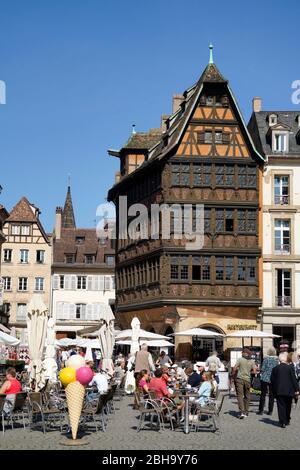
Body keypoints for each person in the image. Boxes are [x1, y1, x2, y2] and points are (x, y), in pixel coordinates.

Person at [271, 352, 299, 428]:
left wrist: (273, 391)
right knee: (288, 406)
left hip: (279, 390)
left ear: (279, 359)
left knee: (281, 406)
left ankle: (282, 421)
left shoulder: (275, 368)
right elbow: (294, 379)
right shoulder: (290, 368)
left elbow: (272, 381)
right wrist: (297, 390)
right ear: (286, 359)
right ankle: (287, 420)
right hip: (289, 390)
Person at [233, 348, 257, 419]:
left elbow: (234, 368)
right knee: (247, 395)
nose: (241, 354)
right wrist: (249, 372)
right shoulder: (252, 361)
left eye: (242, 352)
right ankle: (246, 411)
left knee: (240, 395)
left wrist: (233, 374)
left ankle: (242, 412)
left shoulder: (240, 359)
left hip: (239, 379)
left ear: (245, 353)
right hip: (248, 380)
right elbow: (255, 372)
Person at [257, 347, 278, 416]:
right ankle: (270, 411)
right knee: (271, 395)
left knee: (263, 394)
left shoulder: (266, 359)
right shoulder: (276, 360)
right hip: (273, 379)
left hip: (265, 378)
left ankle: (261, 410)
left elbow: (262, 369)